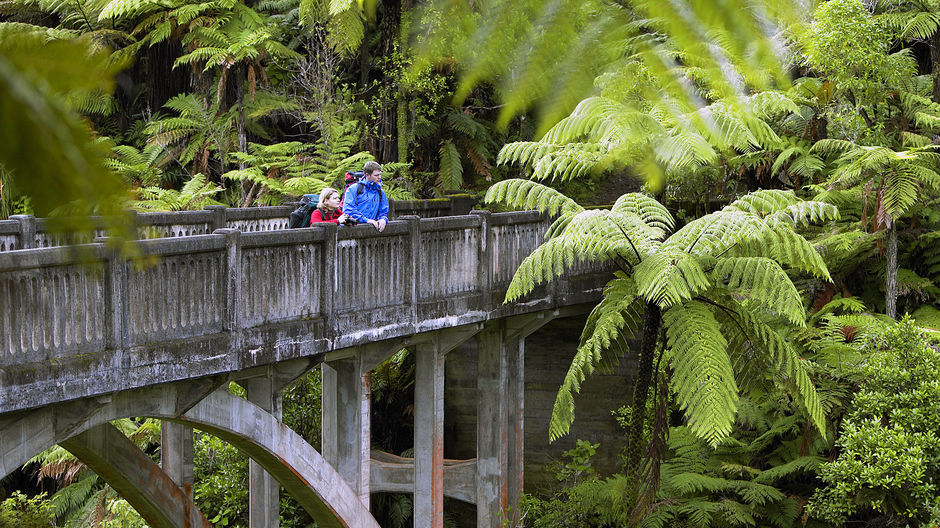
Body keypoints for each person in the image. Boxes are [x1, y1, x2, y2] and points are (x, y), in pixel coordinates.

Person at [342, 160, 389, 232]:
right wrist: (366, 220)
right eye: (376, 175)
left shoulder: (380, 192)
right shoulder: (353, 189)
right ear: (367, 175)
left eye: (380, 174)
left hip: (371, 231)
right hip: (353, 230)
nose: (379, 177)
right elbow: (348, 210)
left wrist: (383, 219)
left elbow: (383, 211)